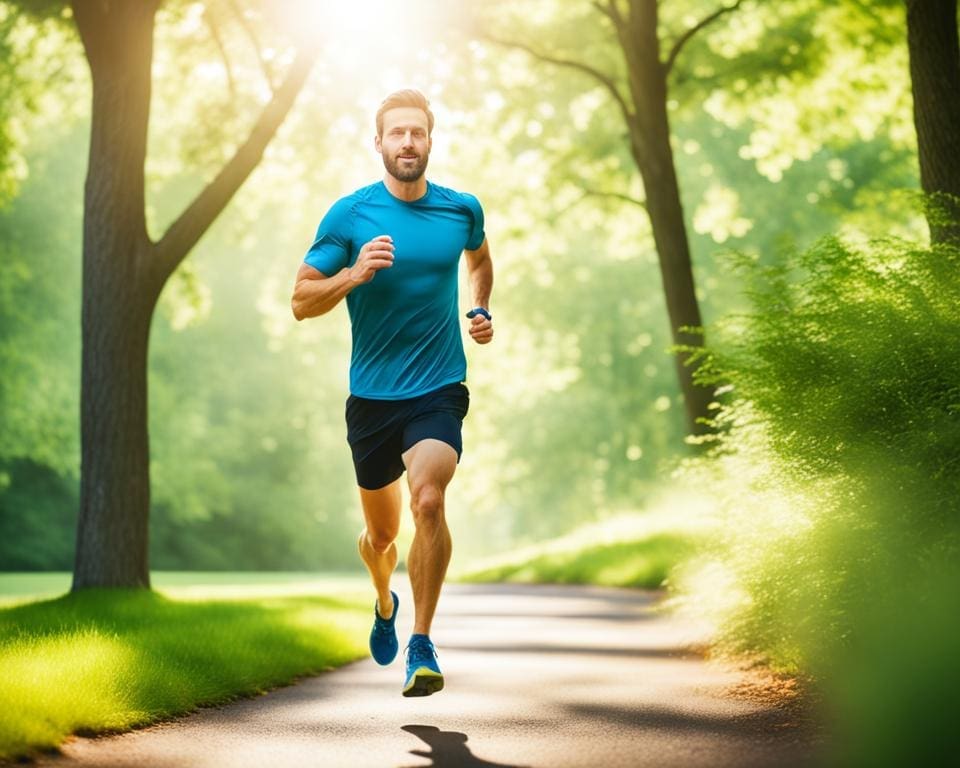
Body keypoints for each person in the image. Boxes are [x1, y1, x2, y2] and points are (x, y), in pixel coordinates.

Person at [291, 89, 494, 697]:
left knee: (428, 501)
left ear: (431, 140)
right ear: (377, 142)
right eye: (397, 133)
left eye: (418, 133)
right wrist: (353, 274)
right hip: (372, 400)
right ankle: (385, 599)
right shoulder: (350, 217)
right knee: (382, 538)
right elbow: (301, 300)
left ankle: (422, 642)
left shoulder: (461, 210)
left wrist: (479, 306)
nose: (409, 142)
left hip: (438, 388)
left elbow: (480, 260)